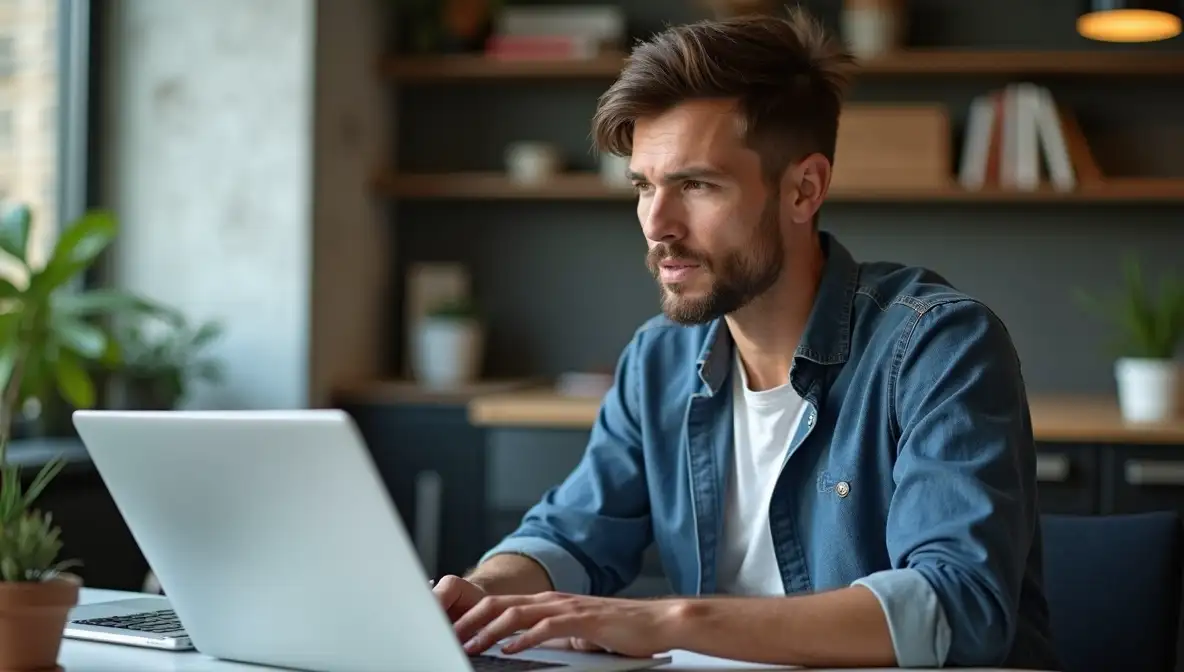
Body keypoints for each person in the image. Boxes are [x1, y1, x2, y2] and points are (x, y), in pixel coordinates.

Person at [433, 7, 1060, 670]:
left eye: (696, 185)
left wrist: (671, 621)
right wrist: (481, 594)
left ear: (804, 188)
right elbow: (573, 533)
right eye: (644, 186)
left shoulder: (940, 348)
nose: (657, 224)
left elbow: (956, 604)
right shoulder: (660, 358)